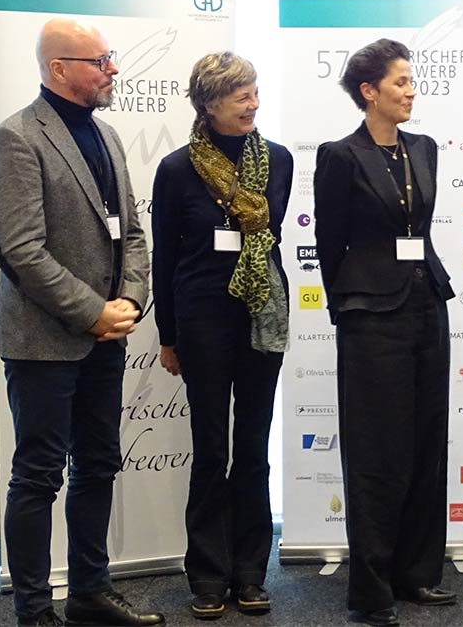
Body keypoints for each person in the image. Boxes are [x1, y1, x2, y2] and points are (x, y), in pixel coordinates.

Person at [0, 18, 162, 627]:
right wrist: (93, 312)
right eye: (100, 61)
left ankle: (89, 592)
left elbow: (132, 232)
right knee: (38, 475)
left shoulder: (107, 135)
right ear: (59, 69)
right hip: (43, 341)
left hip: (107, 337)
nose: (114, 69)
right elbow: (19, 250)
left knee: (98, 464)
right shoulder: (15, 138)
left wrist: (129, 301)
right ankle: (34, 609)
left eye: (110, 58)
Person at [313, 38, 456, 627]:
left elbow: (420, 228)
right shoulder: (339, 155)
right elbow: (328, 244)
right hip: (370, 315)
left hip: (429, 304)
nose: (411, 91)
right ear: (369, 91)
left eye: (411, 81)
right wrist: (347, 306)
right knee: (376, 453)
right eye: (400, 82)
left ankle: (417, 574)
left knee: (427, 442)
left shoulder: (424, 149)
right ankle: (371, 591)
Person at [151, 52, 292, 619]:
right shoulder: (176, 169)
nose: (254, 104)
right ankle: (208, 574)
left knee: (253, 447)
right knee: (211, 448)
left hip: (261, 314)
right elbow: (165, 256)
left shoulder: (278, 160)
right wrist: (167, 335)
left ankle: (251, 572)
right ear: (208, 105)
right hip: (202, 316)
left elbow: (272, 238)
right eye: (241, 96)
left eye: (255, 92)